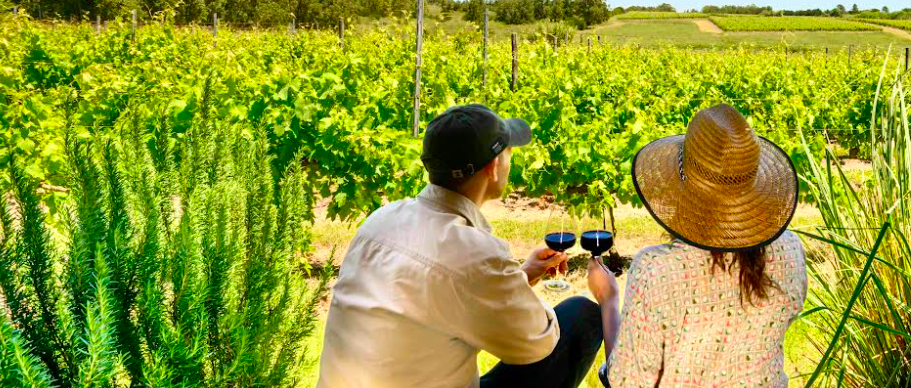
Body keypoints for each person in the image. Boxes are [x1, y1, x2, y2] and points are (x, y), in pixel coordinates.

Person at [317, 104, 620, 388]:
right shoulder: (476, 255)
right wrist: (604, 299)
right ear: (493, 167)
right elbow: (536, 343)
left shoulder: (380, 220)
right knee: (581, 316)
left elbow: (437, 297)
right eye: (509, 151)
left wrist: (519, 275)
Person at [599, 104, 808, 387]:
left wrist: (608, 301)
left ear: (680, 184)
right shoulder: (790, 250)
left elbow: (626, 381)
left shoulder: (657, 271)